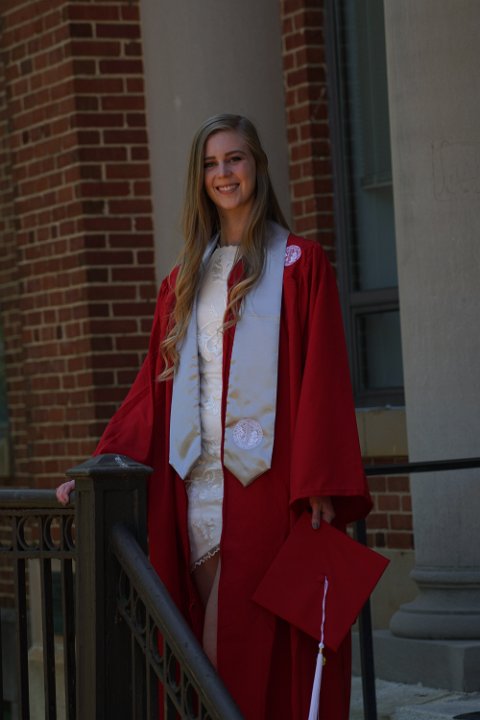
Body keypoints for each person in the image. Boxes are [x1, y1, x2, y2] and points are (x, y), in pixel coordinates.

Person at [57, 113, 372, 719]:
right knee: (209, 648)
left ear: (257, 166)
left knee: (238, 649)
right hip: (194, 491)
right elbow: (152, 390)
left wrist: (320, 483)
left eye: (234, 159)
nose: (223, 173)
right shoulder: (183, 281)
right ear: (199, 178)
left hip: (267, 487)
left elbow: (323, 379)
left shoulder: (299, 265)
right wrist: (103, 462)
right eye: (210, 164)